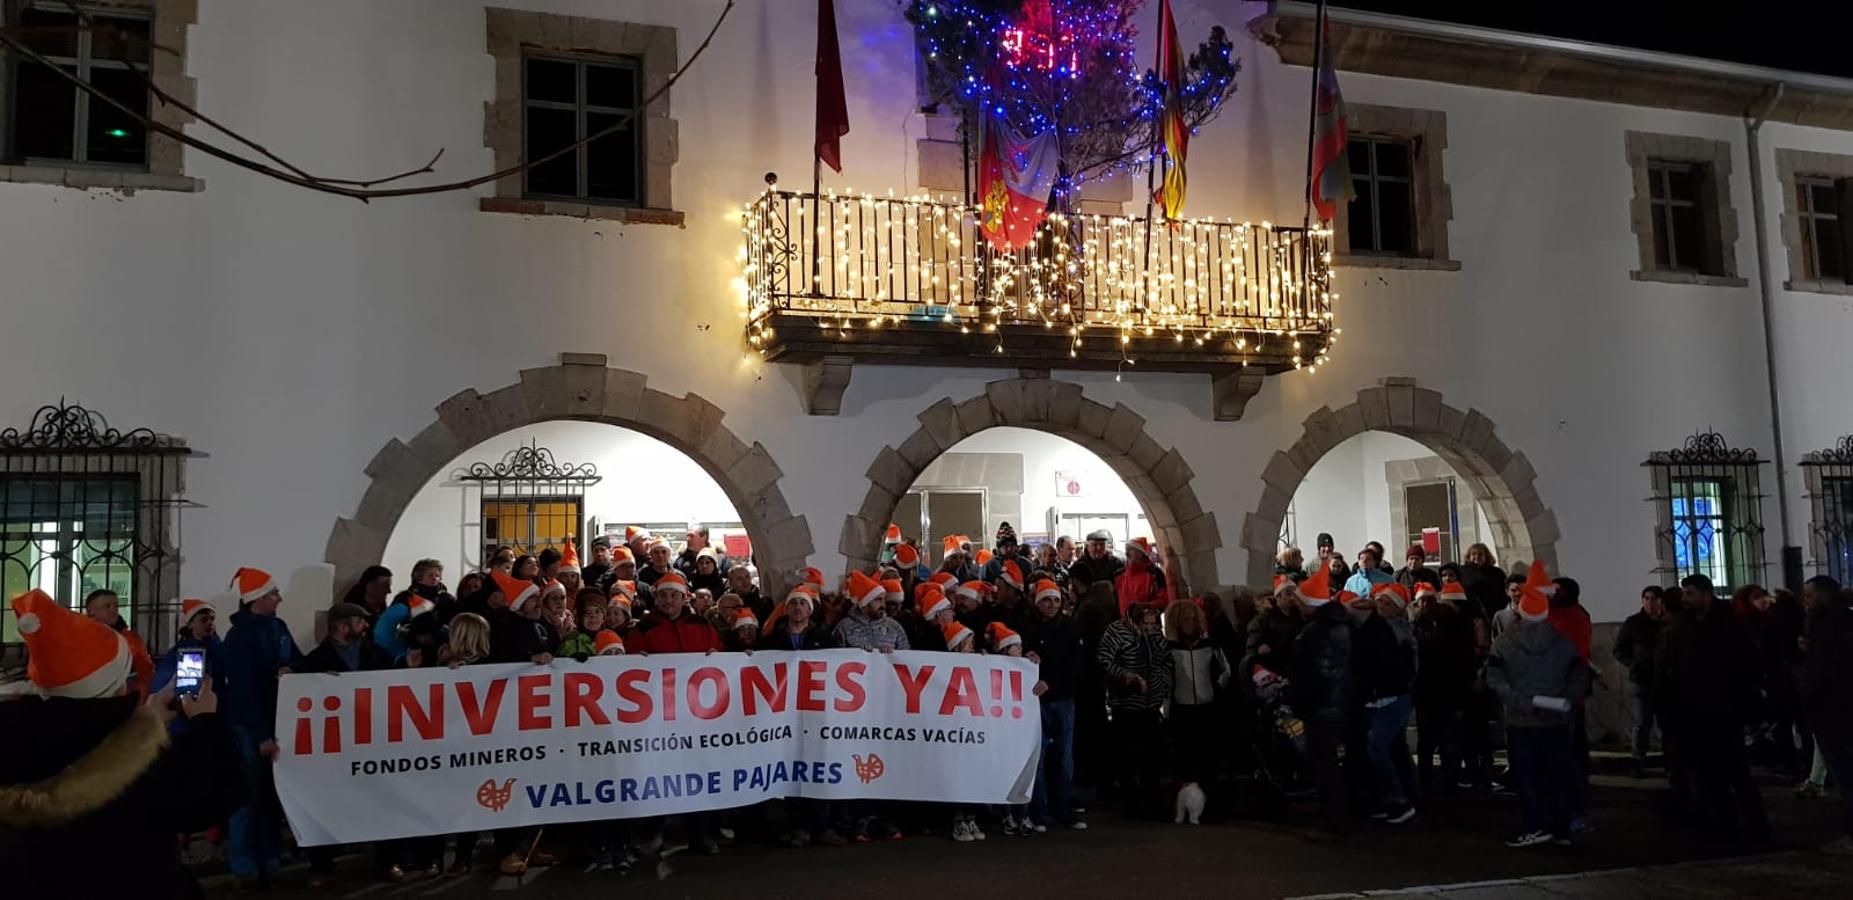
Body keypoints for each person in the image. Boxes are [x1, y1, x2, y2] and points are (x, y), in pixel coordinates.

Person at [2, 589, 246, 899]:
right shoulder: (142, 772)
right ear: (114, 687)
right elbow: (224, 793)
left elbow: (88, 731)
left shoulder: (21, 739)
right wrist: (206, 722)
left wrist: (149, 719)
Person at [1655, 573, 1769, 845]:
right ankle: (1726, 829)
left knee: (1738, 775)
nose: (1686, 599)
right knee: (1710, 777)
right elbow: (1669, 670)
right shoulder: (1681, 628)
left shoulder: (1730, 625)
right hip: (1694, 713)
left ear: (1707, 594)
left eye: (1690, 593)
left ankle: (1757, 830)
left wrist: (1744, 703)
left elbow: (1749, 666)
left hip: (1726, 712)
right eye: (1684, 594)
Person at [297, 602, 400, 885]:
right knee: (326, 804)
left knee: (383, 801)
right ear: (341, 626)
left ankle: (387, 860)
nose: (365, 626)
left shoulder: (377, 654)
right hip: (335, 746)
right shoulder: (316, 661)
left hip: (374, 741)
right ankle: (321, 865)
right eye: (360, 621)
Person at [1485, 566, 1586, 848]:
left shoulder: (1505, 641)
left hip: (1521, 718)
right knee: (1558, 773)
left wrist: (1517, 701)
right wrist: (1564, 701)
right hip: (1555, 717)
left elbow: (1494, 676)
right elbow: (1578, 675)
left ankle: (1534, 825)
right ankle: (1560, 827)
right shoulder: (1563, 641)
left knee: (1527, 776)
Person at [219, 567, 302, 888]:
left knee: (269, 797)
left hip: (276, 720)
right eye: (273, 593)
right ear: (255, 599)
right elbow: (243, 691)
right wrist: (261, 735)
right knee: (246, 799)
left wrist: (290, 667)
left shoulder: (278, 626)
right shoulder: (239, 638)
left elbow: (298, 658)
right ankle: (245, 866)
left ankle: (270, 858)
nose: (279, 598)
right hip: (250, 727)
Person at [1289, 566, 1354, 835]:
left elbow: (1316, 673)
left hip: (1321, 708)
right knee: (1329, 762)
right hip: (1337, 704)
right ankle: (1335, 811)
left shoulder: (1316, 632)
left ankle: (1335, 817)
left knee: (1323, 763)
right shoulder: (1340, 626)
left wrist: (1301, 699)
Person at [1021, 578, 1085, 832]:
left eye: (1056, 600)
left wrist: (1052, 683)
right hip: (1035, 702)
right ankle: (1038, 812)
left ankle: (1062, 810)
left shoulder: (1070, 628)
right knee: (1037, 759)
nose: (1052, 604)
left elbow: (1076, 665)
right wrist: (1023, 654)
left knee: (1063, 758)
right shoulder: (1026, 626)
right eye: (1047, 599)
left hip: (1062, 701)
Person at [1097, 600, 1171, 818]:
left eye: (1152, 624)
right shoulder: (1116, 631)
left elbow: (1164, 657)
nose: (1149, 628)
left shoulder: (1154, 633)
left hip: (1151, 703)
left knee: (1151, 755)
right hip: (1126, 703)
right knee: (1127, 755)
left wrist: (1162, 680)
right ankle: (1131, 803)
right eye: (1145, 624)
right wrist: (1125, 676)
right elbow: (1103, 658)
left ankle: (1153, 800)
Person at [1800, 577, 1853, 854]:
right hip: (1836, 709)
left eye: (1809, 595)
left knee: (1846, 774)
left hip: (1834, 710)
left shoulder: (1830, 625)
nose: (1805, 601)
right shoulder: (1839, 622)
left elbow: (1826, 671)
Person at [1358, 583, 1419, 823]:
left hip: (1394, 697)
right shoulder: (1379, 627)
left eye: (1387, 603)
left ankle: (1398, 799)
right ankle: (1392, 797)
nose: (1381, 605)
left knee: (1379, 747)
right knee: (1392, 748)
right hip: (1384, 697)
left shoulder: (1398, 632)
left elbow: (1406, 667)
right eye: (1380, 601)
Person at [1165, 599, 1230, 807]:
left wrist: (1217, 689)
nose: (1190, 622)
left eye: (1193, 617)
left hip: (1207, 707)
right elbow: (1165, 677)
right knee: (1185, 757)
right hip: (1181, 707)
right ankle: (1186, 804)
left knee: (1208, 757)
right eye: (1185, 618)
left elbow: (1225, 670)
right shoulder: (1169, 648)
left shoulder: (1210, 645)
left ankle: (1210, 801)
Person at [1413, 582, 1474, 792]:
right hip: (1446, 689)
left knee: (1432, 739)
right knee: (1446, 738)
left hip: (1432, 688)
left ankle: (1428, 779)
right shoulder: (1457, 626)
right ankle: (1448, 778)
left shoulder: (1421, 627)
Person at [1614, 585, 1666, 777]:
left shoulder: (1667, 623)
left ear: (1661, 601)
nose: (1649, 603)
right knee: (1642, 722)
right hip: (1642, 679)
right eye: (1646, 599)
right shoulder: (1633, 623)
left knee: (1665, 723)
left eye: (1653, 599)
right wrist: (1634, 664)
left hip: (1665, 680)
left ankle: (1670, 760)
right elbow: (1619, 650)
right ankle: (1638, 760)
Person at [151, 598, 229, 706]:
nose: (210, 623)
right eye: (204, 620)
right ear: (190, 624)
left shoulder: (220, 649)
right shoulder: (178, 653)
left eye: (212, 619)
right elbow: (160, 686)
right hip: (188, 709)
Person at [83, 588, 156, 698]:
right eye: (107, 606)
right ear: (91, 611)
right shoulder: (80, 638)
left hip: (123, 702)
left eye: (116, 606)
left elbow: (145, 675)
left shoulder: (131, 640)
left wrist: (137, 702)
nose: (114, 610)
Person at [1246, 578, 1307, 678]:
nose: (1292, 597)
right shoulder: (1263, 620)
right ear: (1277, 596)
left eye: (1294, 594)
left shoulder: (1300, 616)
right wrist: (1258, 649)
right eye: (1288, 593)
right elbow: (1251, 651)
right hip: (1276, 669)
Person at [1115, 537, 1168, 614]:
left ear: (1140, 553)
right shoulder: (1120, 574)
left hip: (1148, 623)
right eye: (1126, 550)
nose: (1126, 553)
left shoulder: (1155, 573)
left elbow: (1164, 600)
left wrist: (1148, 606)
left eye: (1130, 550)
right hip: (1125, 623)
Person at [558, 590, 613, 661]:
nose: (593, 616)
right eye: (587, 612)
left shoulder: (611, 638)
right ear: (580, 618)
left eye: (597, 612)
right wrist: (570, 659)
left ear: (604, 617)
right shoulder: (571, 641)